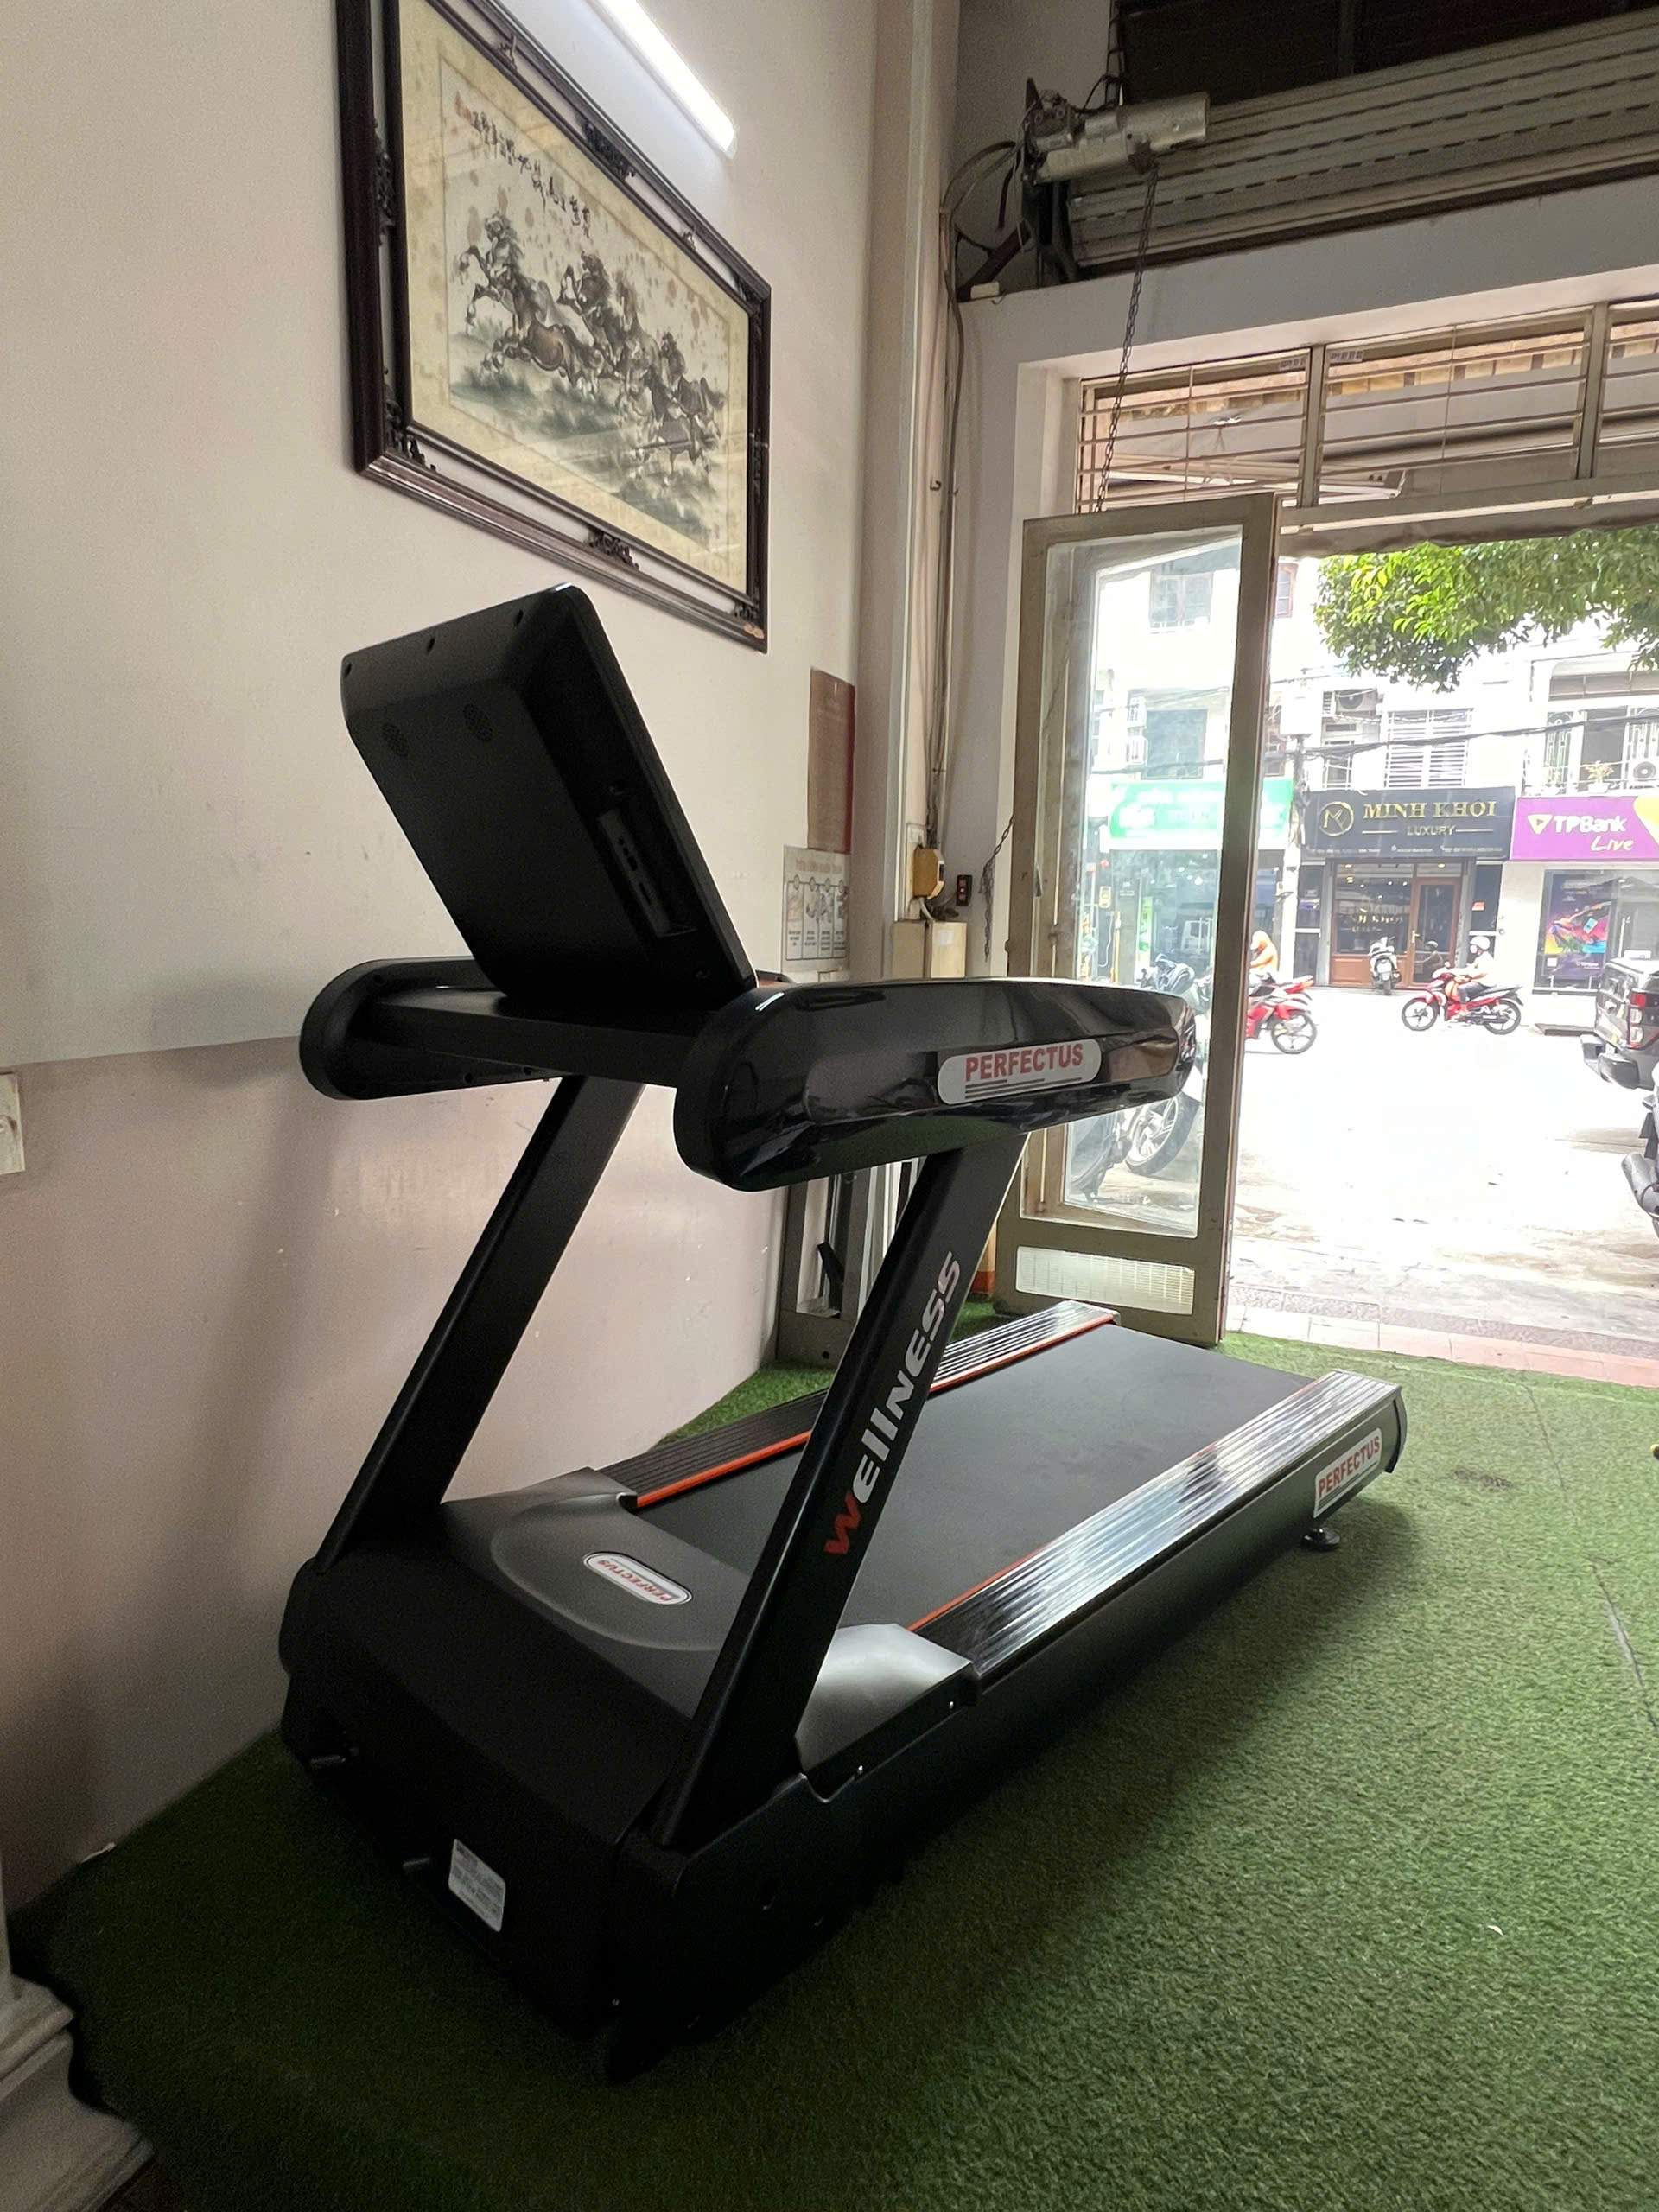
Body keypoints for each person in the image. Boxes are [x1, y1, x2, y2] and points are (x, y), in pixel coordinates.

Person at [1249, 927, 1278, 998]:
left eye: (1259, 946)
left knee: (1250, 980)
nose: (1257, 949)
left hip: (1267, 976)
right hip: (1260, 975)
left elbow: (1258, 963)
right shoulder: (1259, 952)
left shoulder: (1269, 949)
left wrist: (1247, 965)